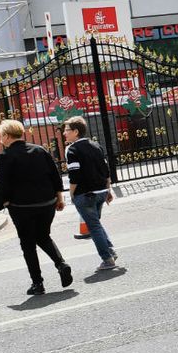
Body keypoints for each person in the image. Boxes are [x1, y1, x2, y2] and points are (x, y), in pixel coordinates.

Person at [0, 119, 73, 296]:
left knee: (28, 244)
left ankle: (38, 283)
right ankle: (61, 264)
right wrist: (59, 198)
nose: (0, 139)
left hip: (22, 207)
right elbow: (54, 174)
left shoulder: (6, 156)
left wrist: (2, 203)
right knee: (43, 236)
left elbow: (2, 183)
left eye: (1, 136)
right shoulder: (40, 150)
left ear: (6, 136)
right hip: (47, 204)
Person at [63, 116, 118, 272]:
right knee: (96, 224)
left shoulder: (72, 149)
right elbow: (105, 170)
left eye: (67, 130)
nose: (64, 134)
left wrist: (72, 194)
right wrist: (108, 190)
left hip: (86, 194)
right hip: (101, 192)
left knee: (93, 226)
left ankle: (107, 259)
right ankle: (110, 251)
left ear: (76, 131)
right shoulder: (96, 145)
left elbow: (75, 175)